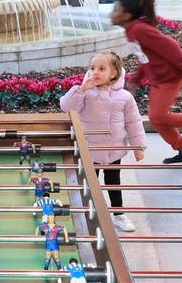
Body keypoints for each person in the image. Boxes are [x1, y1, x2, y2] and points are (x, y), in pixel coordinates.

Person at [112, 0, 182, 164]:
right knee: (159, 120)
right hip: (158, 81)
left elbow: (171, 46)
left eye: (116, 8)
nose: (113, 12)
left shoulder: (139, 29)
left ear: (126, 15)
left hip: (169, 78)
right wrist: (136, 81)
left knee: (157, 116)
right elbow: (144, 57)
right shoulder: (132, 31)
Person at [59, 51, 146, 231]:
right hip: (91, 149)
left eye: (101, 68)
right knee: (91, 183)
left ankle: (118, 214)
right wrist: (81, 89)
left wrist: (138, 146)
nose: (95, 72)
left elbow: (133, 122)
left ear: (114, 73)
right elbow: (66, 106)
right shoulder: (85, 93)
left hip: (114, 149)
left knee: (114, 182)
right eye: (92, 68)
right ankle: (90, 214)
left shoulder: (124, 97)